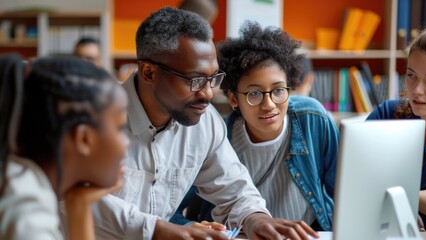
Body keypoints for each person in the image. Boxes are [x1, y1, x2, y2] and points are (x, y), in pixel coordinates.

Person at [90, 7, 319, 240]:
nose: (208, 94)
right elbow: (75, 199)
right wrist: (159, 230)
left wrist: (255, 218)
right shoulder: (90, 119)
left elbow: (235, 189)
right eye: (196, 80)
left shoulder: (204, 121)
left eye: (213, 79)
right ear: (149, 72)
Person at [172, 21, 339, 231]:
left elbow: (344, 192)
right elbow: (167, 212)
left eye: (278, 90)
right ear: (233, 99)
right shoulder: (216, 141)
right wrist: (191, 227)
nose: (269, 105)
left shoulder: (313, 119)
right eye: (254, 94)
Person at [0, 54, 129, 239]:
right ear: (83, 138)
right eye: (120, 128)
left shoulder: (17, 179)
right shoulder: (27, 217)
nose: (127, 142)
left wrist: (80, 205)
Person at [366, 28, 426, 230]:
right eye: (411, 75)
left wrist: (401, 199)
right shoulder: (388, 114)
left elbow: (377, 185)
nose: (417, 90)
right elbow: (356, 176)